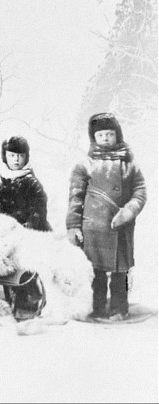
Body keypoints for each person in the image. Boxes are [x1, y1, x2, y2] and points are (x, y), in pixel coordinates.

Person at [66, 112, 147, 320]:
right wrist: (73, 226)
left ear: (117, 135)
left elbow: (140, 191)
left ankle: (119, 309)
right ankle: (97, 309)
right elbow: (75, 197)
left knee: (120, 273)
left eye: (109, 134)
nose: (105, 138)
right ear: (94, 138)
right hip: (93, 228)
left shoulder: (130, 164)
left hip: (120, 226)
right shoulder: (85, 164)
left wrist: (129, 211)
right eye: (100, 135)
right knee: (96, 273)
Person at [0, 136, 51, 231]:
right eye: (12, 155)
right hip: (6, 226)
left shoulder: (31, 182)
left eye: (21, 156)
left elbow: (40, 205)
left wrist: (32, 221)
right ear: (5, 156)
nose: (16, 160)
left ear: (26, 157)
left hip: (30, 227)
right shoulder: (0, 182)